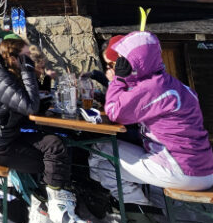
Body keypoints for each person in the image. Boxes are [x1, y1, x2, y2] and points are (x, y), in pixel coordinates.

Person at [0, 35, 108, 223]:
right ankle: (60, 220)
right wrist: (29, 72)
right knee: (54, 151)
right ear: (15, 57)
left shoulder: (5, 73)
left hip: (5, 138)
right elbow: (30, 107)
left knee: (56, 147)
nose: (31, 61)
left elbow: (26, 103)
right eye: (26, 56)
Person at [89, 31, 213, 206]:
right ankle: (132, 203)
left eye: (116, 64)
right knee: (105, 152)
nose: (115, 68)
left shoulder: (153, 88)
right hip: (204, 168)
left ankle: (144, 218)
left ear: (131, 63)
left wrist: (118, 79)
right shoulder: (173, 85)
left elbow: (115, 112)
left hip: (181, 170)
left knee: (101, 159)